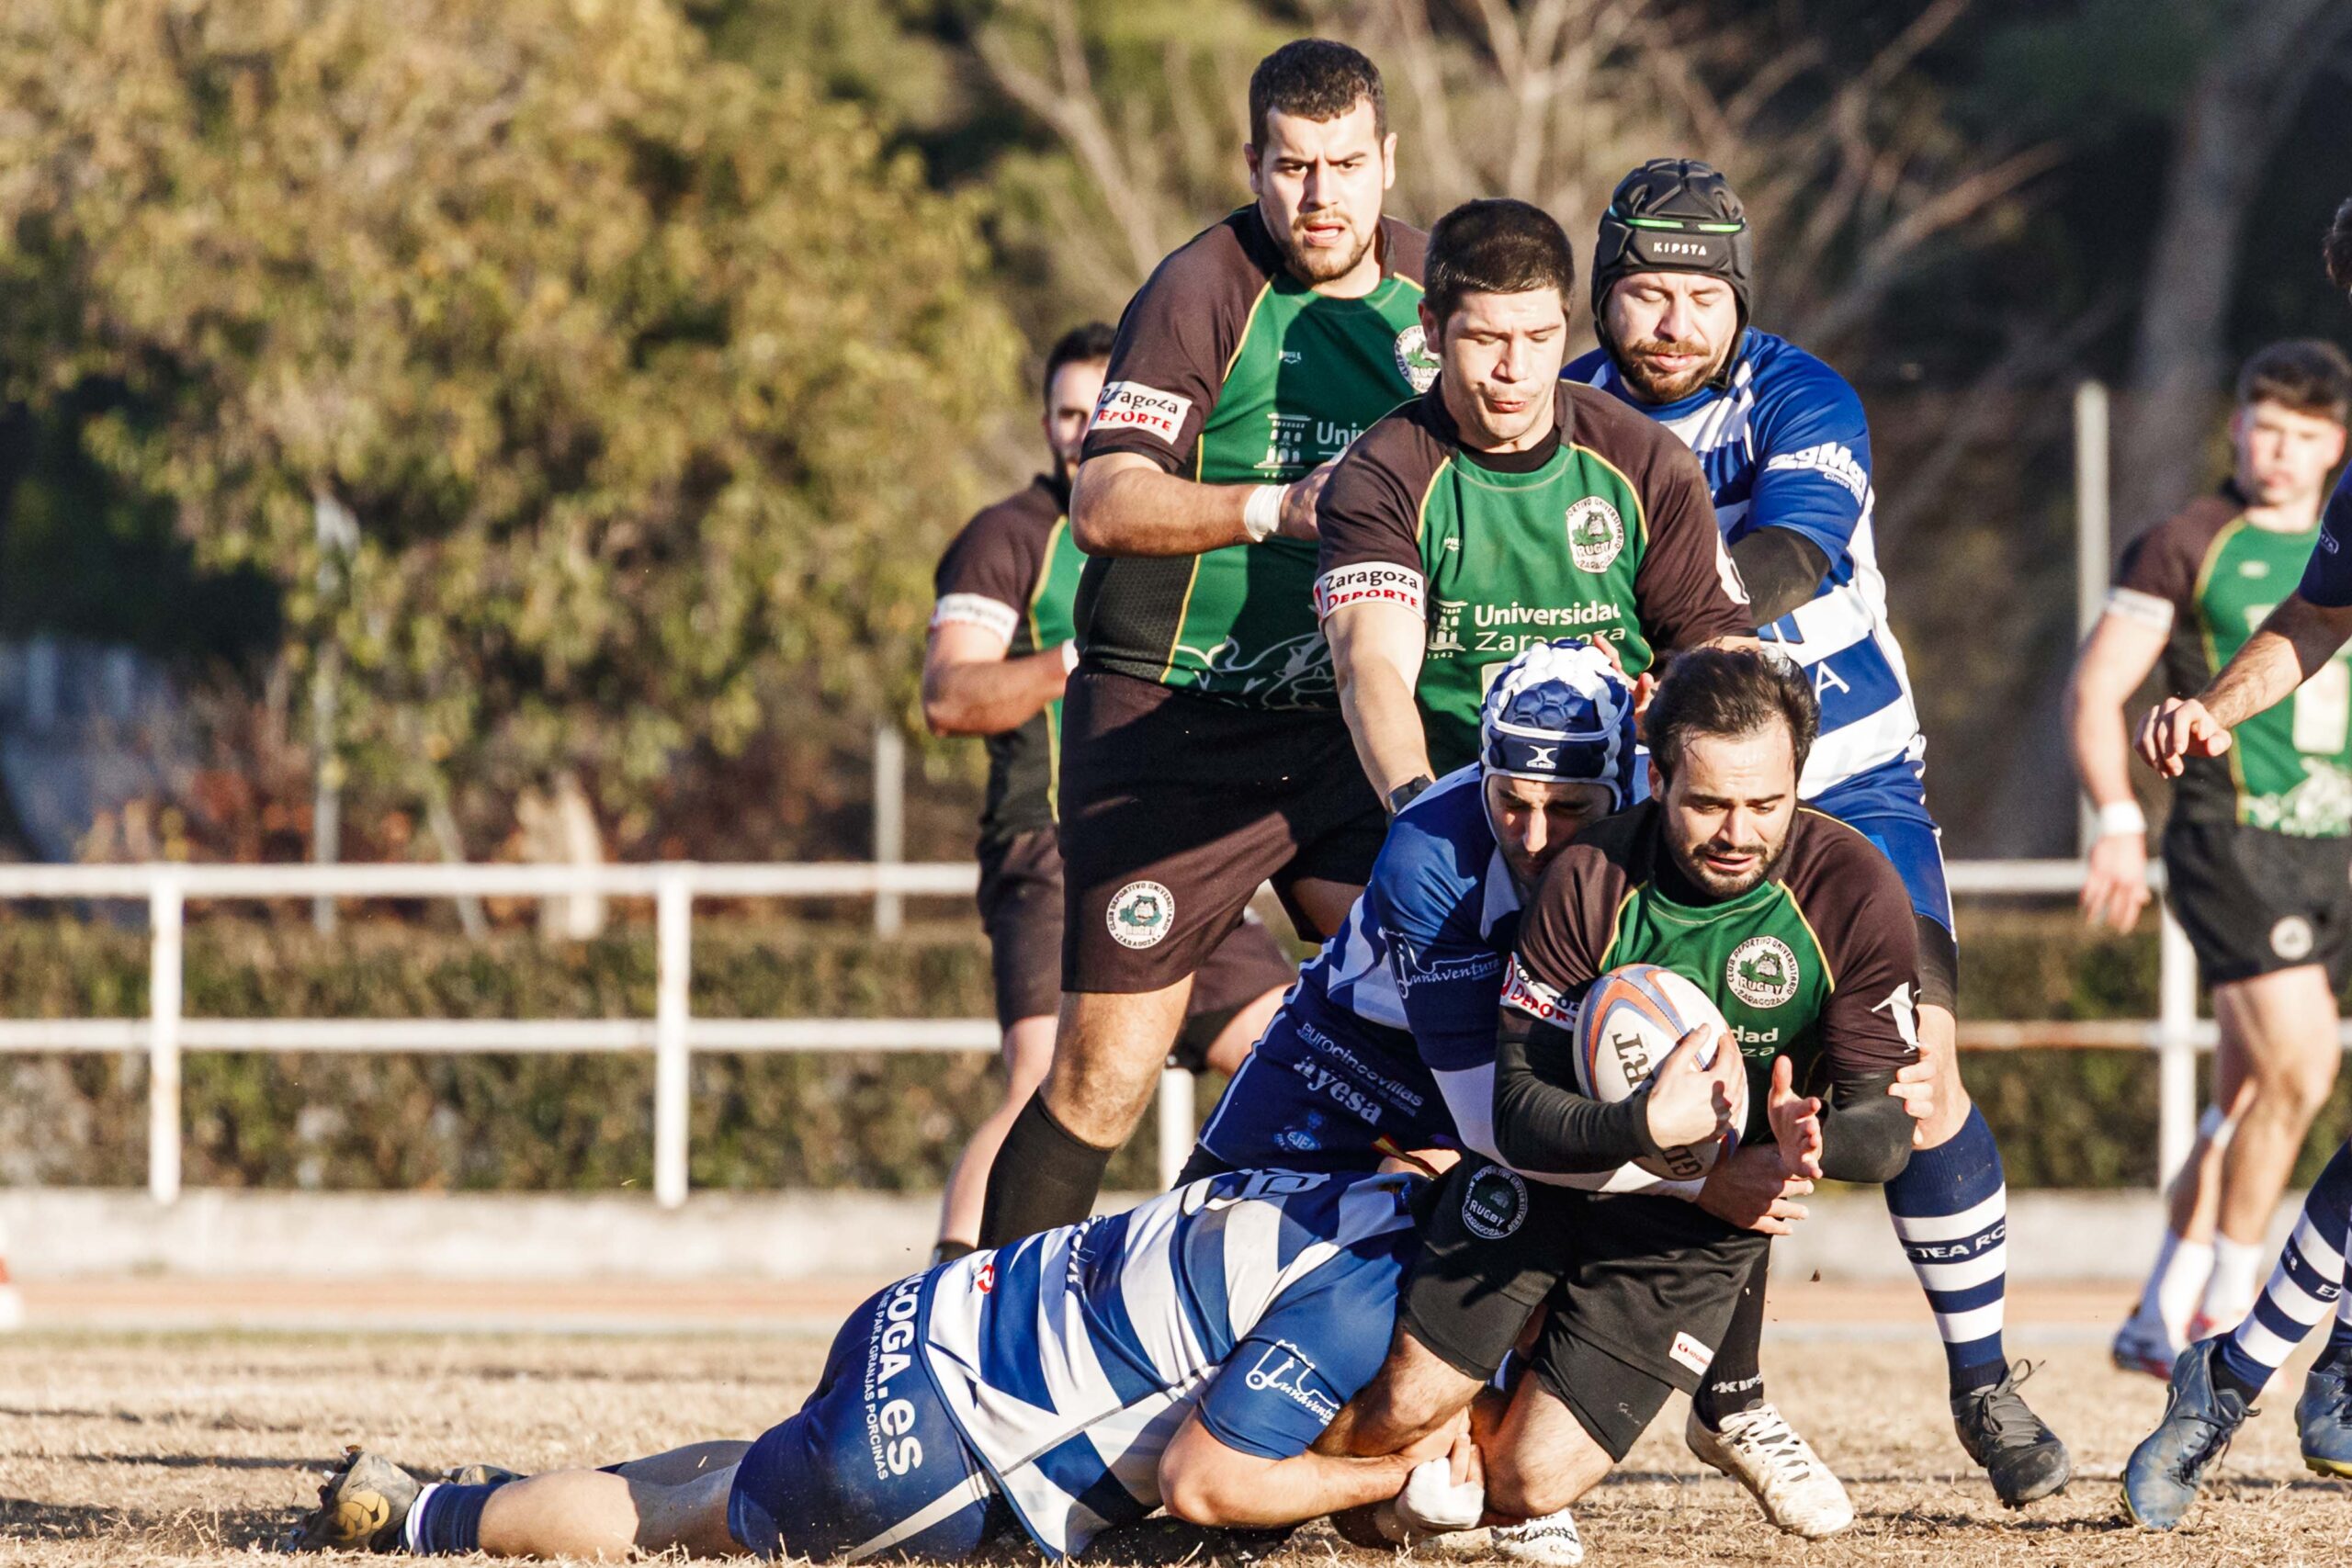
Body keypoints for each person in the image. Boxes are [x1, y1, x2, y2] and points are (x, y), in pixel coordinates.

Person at [1560, 158, 2068, 1506]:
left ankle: (1982, 1376)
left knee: (1915, 1085)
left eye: (1698, 295)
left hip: (1850, 780)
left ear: (1740, 300)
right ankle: (1729, 1395)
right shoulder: (1567, 410)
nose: (1670, 320)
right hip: (1685, 798)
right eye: (1643, 291)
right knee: (1706, 1074)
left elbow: (1798, 544)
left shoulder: (1800, 393)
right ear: (1606, 293)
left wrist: (1677, 619)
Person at [1186, 637, 1861, 1546]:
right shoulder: (1432, 847)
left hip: (1522, 1063)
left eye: (1568, 809)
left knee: (1677, 1124)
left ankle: (1659, 1416)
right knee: (1194, 1263)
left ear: (1630, 786)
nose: (1536, 836)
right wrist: (1706, 1182)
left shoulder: (1667, 839)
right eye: (1511, 801)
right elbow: (1493, 1126)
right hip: (1354, 1056)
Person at [978, 39, 1430, 1250]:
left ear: (1388, 162)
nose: (1319, 194)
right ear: (1254, 165)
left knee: (1450, 1031)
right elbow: (1105, 502)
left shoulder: (1440, 298)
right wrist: (1277, 503)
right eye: (1292, 166)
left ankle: (1445, 1387)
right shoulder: (1201, 289)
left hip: (1348, 730)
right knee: (1101, 1076)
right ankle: (973, 1350)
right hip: (1170, 729)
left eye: (1344, 164)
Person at [286, 1168, 1460, 1560]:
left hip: (939, 1313)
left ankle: (495, 1503)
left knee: (732, 1475)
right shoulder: (1363, 1294)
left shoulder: (1344, 1180)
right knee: (688, 1518)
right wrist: (1383, 1485)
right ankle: (420, 1517)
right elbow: (1210, 1487)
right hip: (939, 1447)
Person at [922, 322, 1294, 1260]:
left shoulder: (1180, 520)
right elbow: (948, 696)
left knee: (1296, 1059)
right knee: (1044, 1079)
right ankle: (952, 1304)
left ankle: (1218, 1274)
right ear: (1046, 422)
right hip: (1047, 846)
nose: (1083, 433)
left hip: (1171, 843)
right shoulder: (1006, 539)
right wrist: (1079, 662)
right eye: (1066, 414)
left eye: (1100, 413)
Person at [2124, 193, 2352, 1531]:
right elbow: (2320, 610)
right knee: (2292, 1071)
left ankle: (2238, 1366)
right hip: (2261, 834)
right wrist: (2222, 700)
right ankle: (2251, 1369)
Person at [2068, 341, 2352, 1372]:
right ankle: (2229, 1319)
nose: (2278, 451)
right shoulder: (2188, 540)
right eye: (2262, 427)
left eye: (2304, 434)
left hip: (2331, 853)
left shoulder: (2341, 530)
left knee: (2243, 1097)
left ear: (2337, 443)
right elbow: (2098, 690)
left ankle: (2155, 1310)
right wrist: (2115, 817)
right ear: (2234, 426)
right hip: (2227, 839)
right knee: (2303, 1069)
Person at [1314, 196, 1754, 807]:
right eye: (1487, 338)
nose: (1515, 368)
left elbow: (1726, 651)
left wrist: (1677, 701)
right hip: (1453, 800)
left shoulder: (1646, 461)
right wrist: (1418, 809)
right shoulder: (1381, 474)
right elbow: (1371, 667)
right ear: (1432, 328)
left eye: (1540, 336)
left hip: (1622, 808)